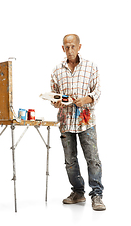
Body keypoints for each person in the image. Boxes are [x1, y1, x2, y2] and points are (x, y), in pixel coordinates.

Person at [50, 34, 105, 211]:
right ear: (62, 48)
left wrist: (87, 99)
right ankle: (78, 192)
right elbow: (54, 95)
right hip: (66, 122)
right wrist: (55, 102)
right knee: (70, 161)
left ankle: (96, 195)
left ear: (79, 47)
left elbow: (97, 91)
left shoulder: (90, 67)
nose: (70, 50)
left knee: (92, 159)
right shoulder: (57, 70)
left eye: (73, 46)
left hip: (85, 122)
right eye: (67, 47)